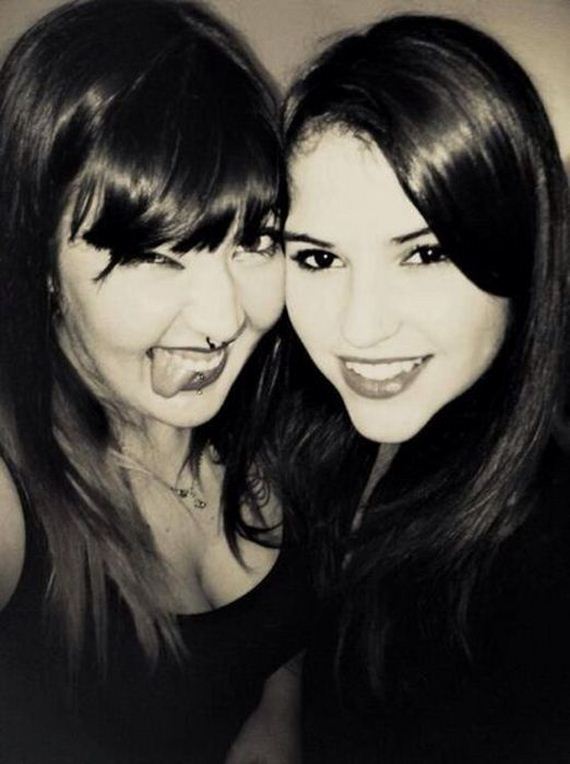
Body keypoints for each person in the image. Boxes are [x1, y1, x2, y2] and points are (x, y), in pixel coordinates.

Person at [0, 1, 310, 762]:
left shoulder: (282, 417)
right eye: (153, 253)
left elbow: (279, 647)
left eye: (254, 240)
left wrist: (275, 719)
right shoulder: (11, 497)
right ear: (38, 261)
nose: (224, 318)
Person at [279, 14, 570, 762]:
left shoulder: (543, 554)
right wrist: (282, 703)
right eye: (317, 259)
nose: (360, 327)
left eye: (425, 253)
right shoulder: (327, 426)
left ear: (519, 245)